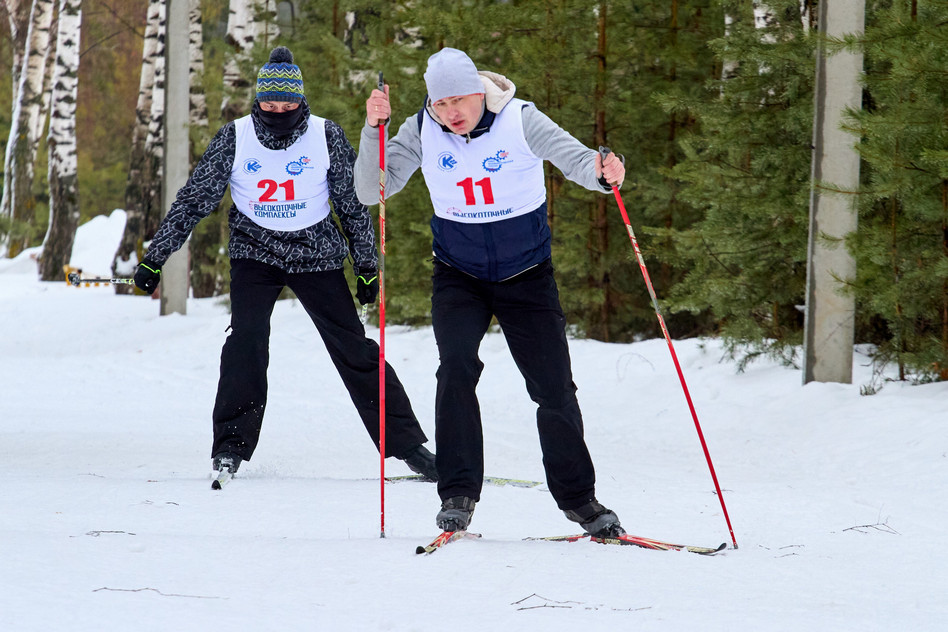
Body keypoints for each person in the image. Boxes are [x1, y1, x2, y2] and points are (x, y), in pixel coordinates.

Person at [353, 48, 627, 536]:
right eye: (440, 103)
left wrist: (606, 170)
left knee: (553, 387)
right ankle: (457, 494)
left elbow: (578, 160)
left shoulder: (520, 119)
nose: (450, 112)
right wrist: (374, 129)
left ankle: (580, 500)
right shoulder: (421, 128)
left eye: (458, 100)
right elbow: (372, 189)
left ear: (479, 92)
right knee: (455, 370)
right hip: (458, 276)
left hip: (527, 275)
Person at [134, 46, 437, 482]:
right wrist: (155, 257)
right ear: (258, 102)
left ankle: (408, 446)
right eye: (270, 106)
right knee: (246, 341)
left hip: (316, 254)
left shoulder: (325, 134)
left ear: (300, 101)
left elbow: (352, 205)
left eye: (287, 106)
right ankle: (230, 447)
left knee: (353, 347)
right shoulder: (235, 137)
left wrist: (366, 265)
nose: (278, 113)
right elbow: (194, 200)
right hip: (255, 254)